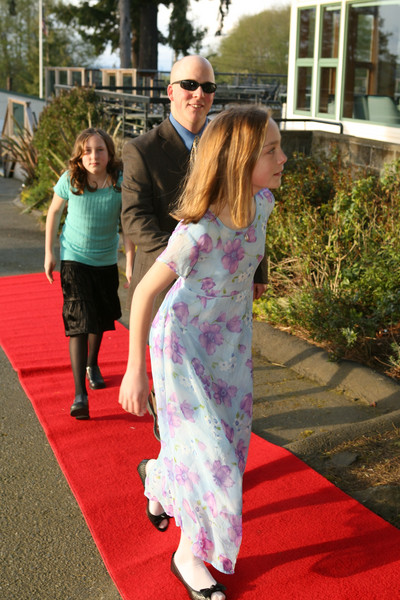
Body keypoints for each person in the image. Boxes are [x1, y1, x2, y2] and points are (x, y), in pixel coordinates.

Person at [119, 105, 287, 600]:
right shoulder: (198, 231)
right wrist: (135, 373)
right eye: (271, 150)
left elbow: (250, 251)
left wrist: (250, 278)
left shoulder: (263, 202)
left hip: (232, 345)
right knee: (214, 460)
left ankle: (156, 474)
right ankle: (188, 556)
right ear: (238, 160)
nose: (283, 157)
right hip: (181, 349)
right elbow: (147, 292)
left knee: (230, 447)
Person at [121, 55, 269, 436]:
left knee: (214, 394)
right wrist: (186, 256)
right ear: (170, 92)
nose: (198, 94)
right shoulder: (142, 149)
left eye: (207, 87)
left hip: (220, 303)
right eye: (189, 85)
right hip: (167, 283)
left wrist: (258, 268)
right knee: (177, 412)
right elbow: (134, 218)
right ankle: (175, 471)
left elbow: (249, 201)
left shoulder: (226, 144)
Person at [45, 127, 134, 420]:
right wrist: (50, 253)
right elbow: (54, 213)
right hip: (74, 259)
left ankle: (92, 363)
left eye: (99, 150)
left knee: (99, 319)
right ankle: (79, 394)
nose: (93, 156)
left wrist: (130, 258)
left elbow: (127, 223)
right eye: (87, 151)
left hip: (106, 260)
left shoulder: (120, 182)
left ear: (109, 154)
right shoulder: (71, 179)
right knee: (79, 321)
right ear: (79, 156)